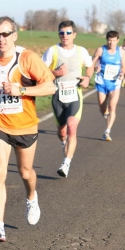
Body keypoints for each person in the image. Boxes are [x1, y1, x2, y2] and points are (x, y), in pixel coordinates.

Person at [0, 16, 55, 242]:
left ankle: (31, 197)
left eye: (6, 34)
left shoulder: (27, 58)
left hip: (25, 125)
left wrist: (22, 91)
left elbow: (50, 86)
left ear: (14, 35)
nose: (1, 38)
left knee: (25, 173)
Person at [42, 20, 94, 178]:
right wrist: (56, 73)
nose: (65, 35)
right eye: (62, 33)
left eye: (68, 32)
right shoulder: (52, 51)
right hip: (58, 96)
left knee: (72, 127)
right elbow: (40, 72)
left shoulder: (81, 51)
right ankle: (64, 143)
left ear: (74, 34)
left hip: (74, 95)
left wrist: (87, 78)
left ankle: (66, 162)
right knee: (62, 131)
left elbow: (89, 66)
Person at [92, 30, 125, 141]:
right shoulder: (101, 50)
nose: (111, 43)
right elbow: (91, 63)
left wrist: (122, 73)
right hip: (102, 81)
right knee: (103, 108)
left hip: (115, 83)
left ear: (118, 40)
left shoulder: (121, 52)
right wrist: (95, 68)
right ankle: (105, 113)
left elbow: (124, 66)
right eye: (109, 40)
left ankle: (107, 131)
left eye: (114, 41)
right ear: (107, 40)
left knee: (112, 106)